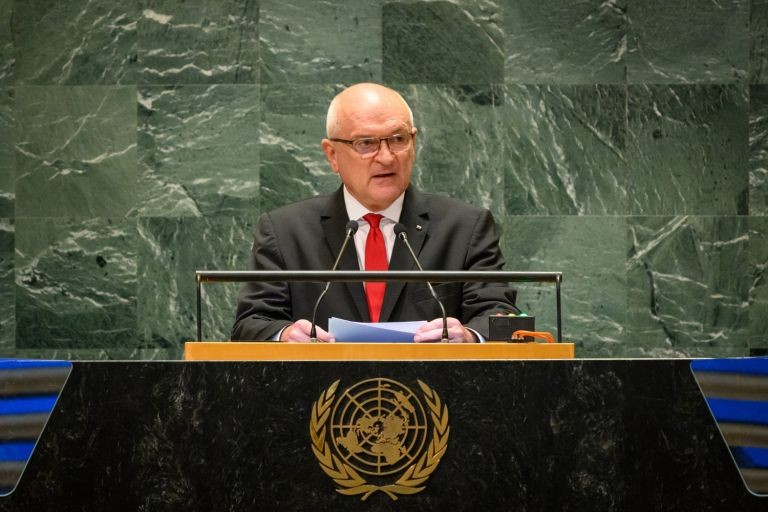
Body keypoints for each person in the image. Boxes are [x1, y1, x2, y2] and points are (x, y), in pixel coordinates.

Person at [231, 83, 517, 343]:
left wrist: (469, 336)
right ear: (332, 155)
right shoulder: (285, 231)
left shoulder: (465, 227)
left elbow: (503, 319)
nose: (386, 157)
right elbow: (251, 324)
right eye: (365, 143)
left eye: (398, 139)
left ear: (413, 143)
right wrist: (284, 335)